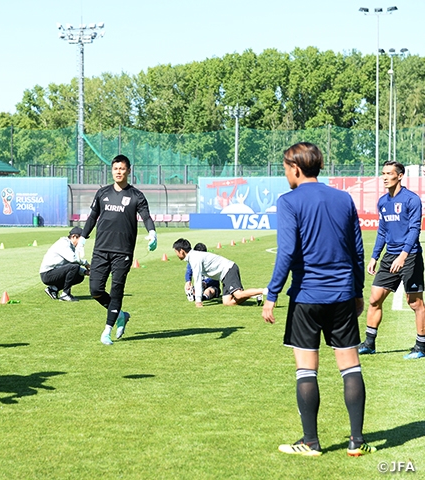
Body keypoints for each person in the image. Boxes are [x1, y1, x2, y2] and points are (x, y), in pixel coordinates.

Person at [261, 142, 375, 457]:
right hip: (341, 296)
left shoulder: (288, 202)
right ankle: (356, 441)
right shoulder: (343, 198)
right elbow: (357, 250)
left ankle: (311, 442)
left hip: (306, 297)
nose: (285, 173)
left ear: (296, 168)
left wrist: (271, 295)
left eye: (285, 167)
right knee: (350, 366)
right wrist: (357, 291)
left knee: (306, 370)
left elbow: (285, 252)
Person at [79, 154, 157, 345]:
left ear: (128, 171)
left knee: (116, 290)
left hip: (123, 252)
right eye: (115, 168)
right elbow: (92, 217)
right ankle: (121, 315)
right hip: (101, 249)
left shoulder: (136, 196)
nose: (119, 172)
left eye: (122, 168)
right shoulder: (102, 193)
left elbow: (146, 217)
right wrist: (82, 238)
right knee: (95, 289)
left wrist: (152, 232)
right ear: (112, 170)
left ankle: (107, 330)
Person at [359, 160, 425, 360]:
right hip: (389, 257)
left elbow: (415, 229)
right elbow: (382, 231)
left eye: (389, 173)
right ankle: (369, 343)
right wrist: (374, 257)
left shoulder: (412, 200)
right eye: (383, 173)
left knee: (415, 303)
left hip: (410, 255)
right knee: (374, 298)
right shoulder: (382, 202)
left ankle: (421, 346)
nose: (385, 177)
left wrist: (403, 256)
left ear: (400, 175)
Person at [173, 238, 264, 307]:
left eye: (176, 251)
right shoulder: (193, 256)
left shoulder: (194, 258)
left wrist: (198, 301)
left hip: (228, 269)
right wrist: (188, 280)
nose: (176, 254)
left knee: (238, 294)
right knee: (227, 302)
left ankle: (264, 291)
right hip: (224, 275)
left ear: (181, 251)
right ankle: (255, 294)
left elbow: (197, 280)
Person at [40, 227, 90, 302]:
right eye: (82, 240)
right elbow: (73, 260)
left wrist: (85, 272)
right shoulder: (64, 243)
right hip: (47, 274)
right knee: (75, 267)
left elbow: (71, 264)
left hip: (54, 272)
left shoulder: (71, 246)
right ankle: (65, 294)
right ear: (74, 237)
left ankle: (53, 289)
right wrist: (86, 264)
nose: (83, 243)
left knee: (80, 276)